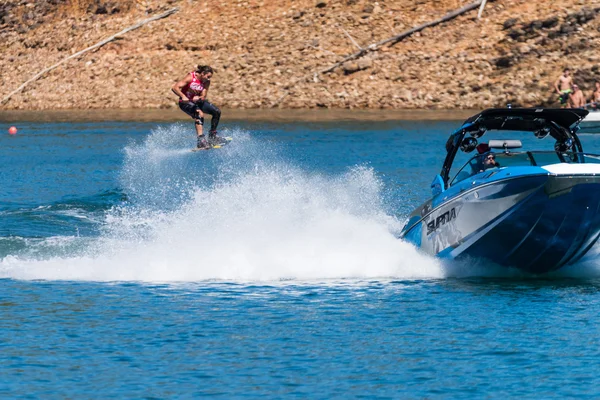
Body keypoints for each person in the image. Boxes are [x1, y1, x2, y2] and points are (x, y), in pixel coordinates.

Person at [171, 65, 224, 149]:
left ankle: (212, 136)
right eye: (208, 76)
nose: (209, 78)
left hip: (197, 102)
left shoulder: (206, 82)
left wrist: (199, 98)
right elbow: (175, 87)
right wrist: (183, 96)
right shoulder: (190, 77)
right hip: (185, 103)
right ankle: (201, 141)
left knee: (217, 111)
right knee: (199, 113)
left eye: (210, 77)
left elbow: (203, 95)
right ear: (203, 73)